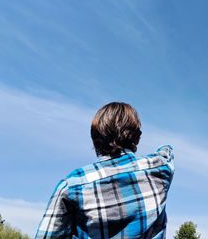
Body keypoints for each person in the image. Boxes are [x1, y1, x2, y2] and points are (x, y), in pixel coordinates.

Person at [35, 102, 175, 239]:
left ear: (94, 139)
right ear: (137, 137)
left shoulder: (72, 185)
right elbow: (167, 151)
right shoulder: (160, 169)